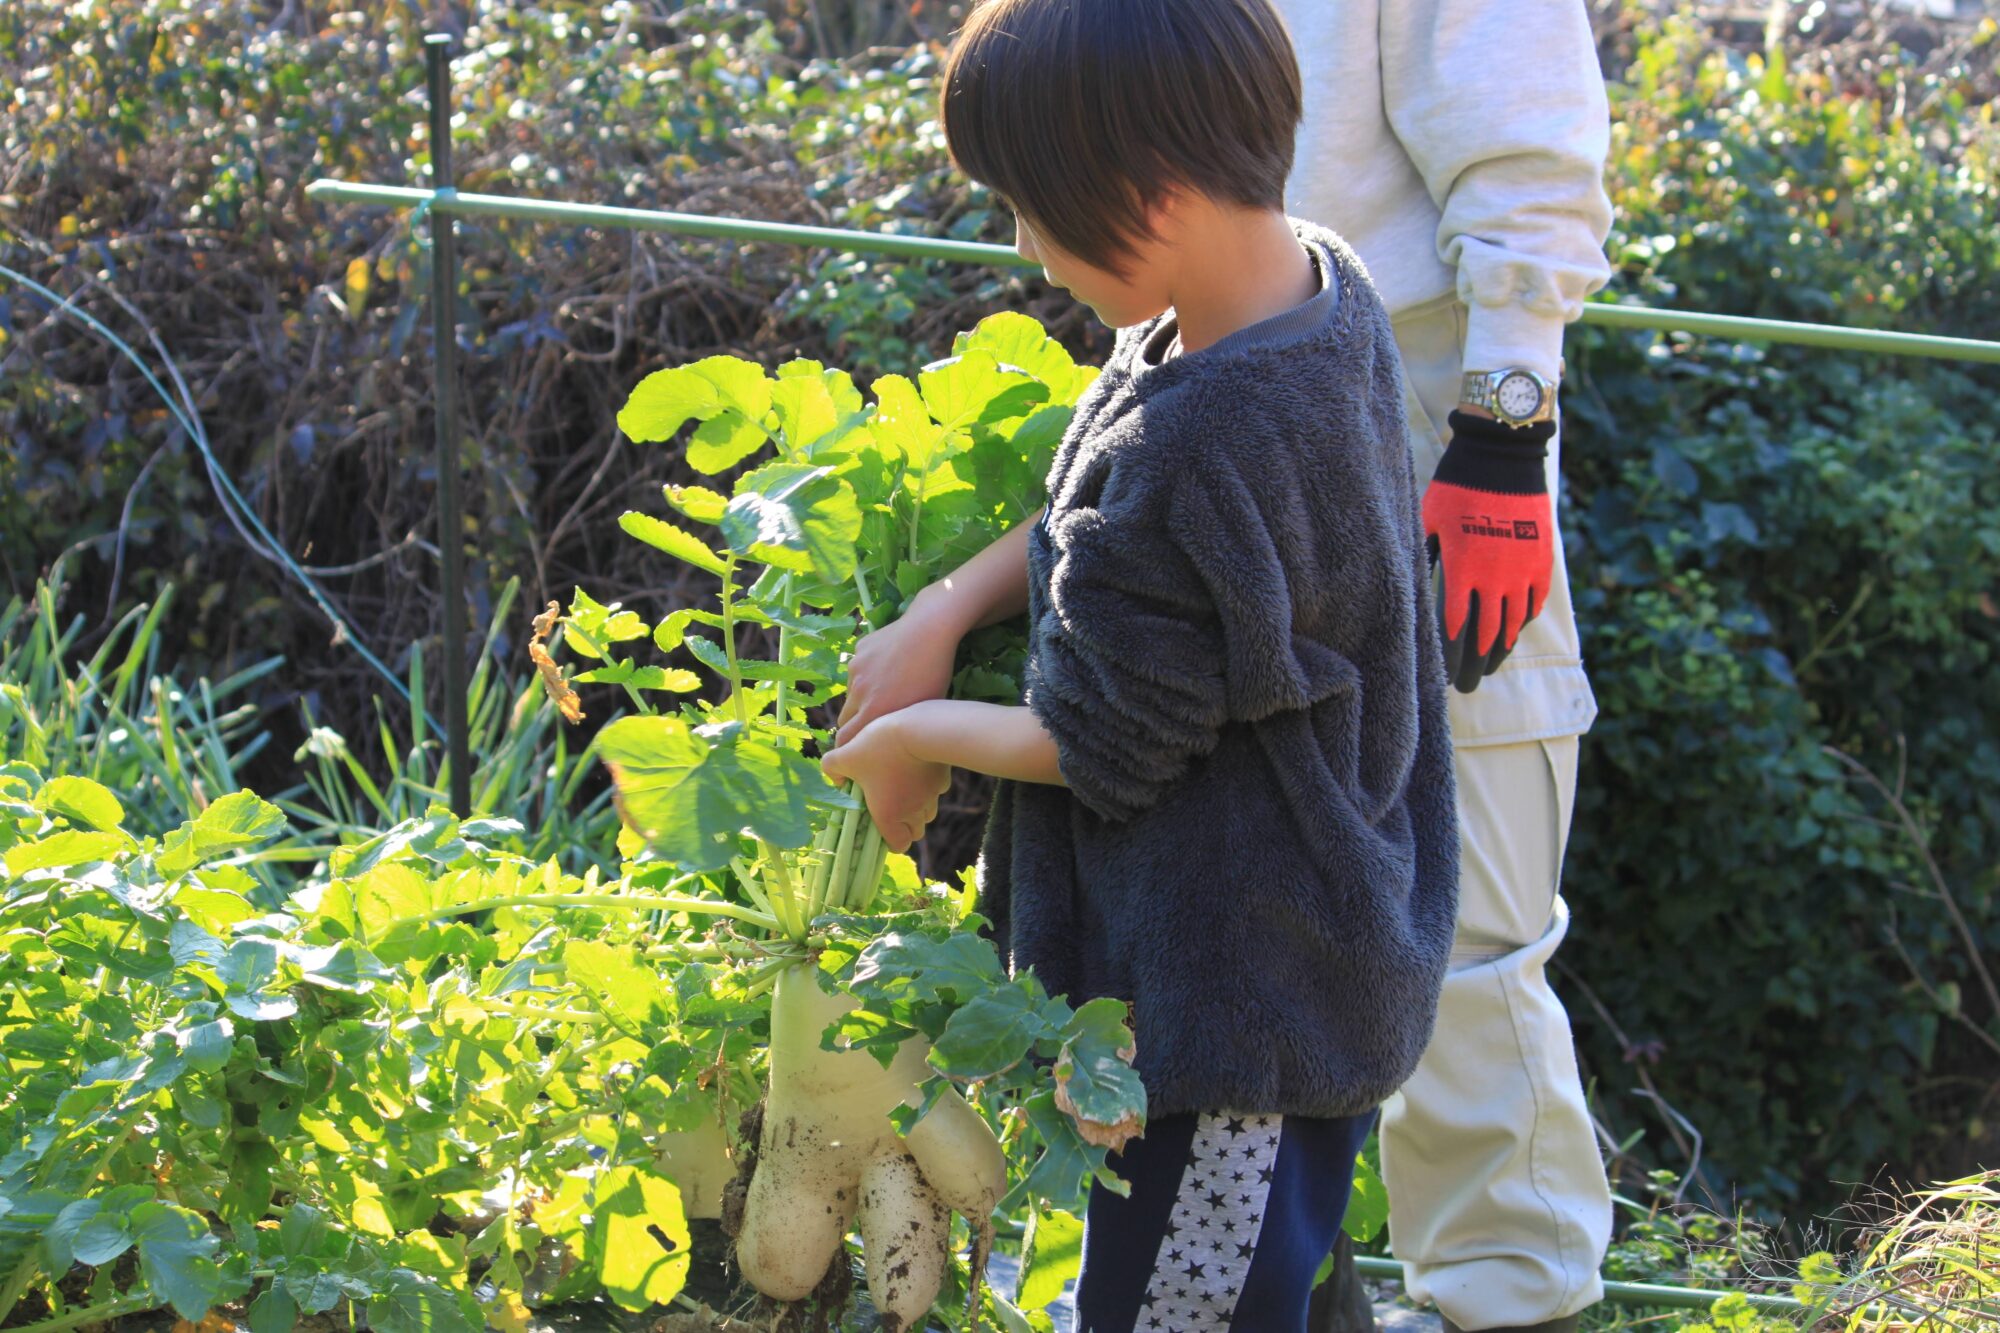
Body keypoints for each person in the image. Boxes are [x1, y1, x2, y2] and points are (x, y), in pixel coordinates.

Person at [819, 1, 1459, 1327]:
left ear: (1153, 199)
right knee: (1269, 1290)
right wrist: (948, 601)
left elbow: (1094, 744)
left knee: (1172, 1309)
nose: (1023, 245)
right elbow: (1104, 508)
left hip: (1237, 1011)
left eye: (1031, 211)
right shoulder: (1307, 291)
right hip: (1305, 950)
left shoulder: (1209, 439)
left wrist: (908, 739)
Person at [1268, 1, 1619, 1330]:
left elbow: (1527, 143)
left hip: (1419, 402)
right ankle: (1291, 1291)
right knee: (1248, 882)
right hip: (1212, 377)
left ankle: (1513, 1303)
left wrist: (1505, 429)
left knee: (1467, 897)